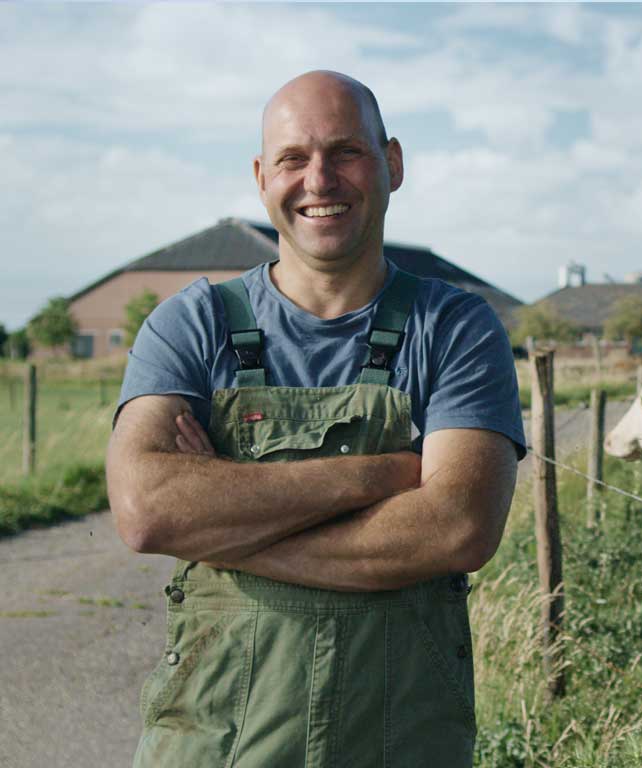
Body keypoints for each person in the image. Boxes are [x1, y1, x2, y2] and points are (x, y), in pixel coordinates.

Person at [106, 70, 524, 767]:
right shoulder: (192, 324)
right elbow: (147, 511)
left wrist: (226, 531)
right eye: (294, 159)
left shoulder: (454, 327)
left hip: (401, 742)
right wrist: (383, 473)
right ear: (261, 175)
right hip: (216, 747)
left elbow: (457, 527)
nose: (320, 180)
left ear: (391, 163)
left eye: (346, 152)